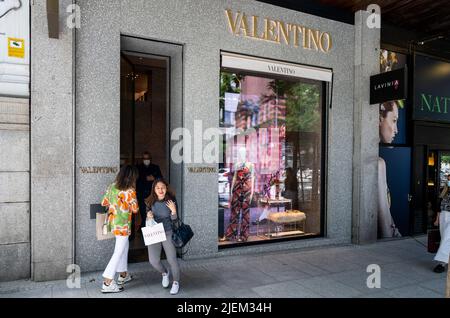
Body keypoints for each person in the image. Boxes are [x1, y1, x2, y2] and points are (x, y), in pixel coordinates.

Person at [100, 165, 139, 293]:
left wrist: (114, 203)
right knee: (118, 251)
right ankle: (108, 282)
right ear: (132, 177)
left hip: (113, 223)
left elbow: (104, 203)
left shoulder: (112, 186)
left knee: (124, 248)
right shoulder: (130, 191)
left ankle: (123, 275)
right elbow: (135, 210)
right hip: (123, 226)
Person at [145, 178, 181, 295]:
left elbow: (176, 222)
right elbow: (147, 219)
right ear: (154, 189)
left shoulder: (171, 201)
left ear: (166, 188)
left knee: (172, 259)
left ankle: (176, 282)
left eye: (163, 188)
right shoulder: (149, 201)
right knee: (153, 261)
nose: (160, 190)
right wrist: (149, 216)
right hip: (155, 232)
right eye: (158, 188)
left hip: (168, 232)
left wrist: (174, 211)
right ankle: (165, 273)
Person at [378, 101, 402, 238]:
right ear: (379, 118)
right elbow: (386, 227)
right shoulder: (379, 164)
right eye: (393, 121)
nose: (396, 129)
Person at [221, 147, 255, 242]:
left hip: (246, 190)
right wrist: (231, 192)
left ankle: (244, 236)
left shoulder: (251, 165)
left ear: (246, 154)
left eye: (243, 153)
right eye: (240, 153)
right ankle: (230, 235)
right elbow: (235, 178)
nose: (241, 154)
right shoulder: (237, 165)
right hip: (237, 190)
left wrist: (252, 192)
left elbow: (252, 178)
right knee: (234, 214)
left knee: (245, 214)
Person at [136, 151, 163, 230]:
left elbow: (161, 179)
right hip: (141, 194)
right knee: (143, 211)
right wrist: (145, 179)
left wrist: (154, 178)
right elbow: (136, 180)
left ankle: (153, 229)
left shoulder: (155, 167)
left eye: (148, 158)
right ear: (142, 159)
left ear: (150, 159)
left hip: (153, 194)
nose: (146, 160)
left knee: (153, 212)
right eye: (144, 158)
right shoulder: (138, 168)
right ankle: (144, 227)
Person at [433, 174, 450, 273]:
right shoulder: (443, 191)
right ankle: (443, 263)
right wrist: (437, 219)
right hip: (443, 216)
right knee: (444, 238)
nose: (448, 180)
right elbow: (438, 207)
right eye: (448, 179)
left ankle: (441, 263)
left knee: (446, 238)